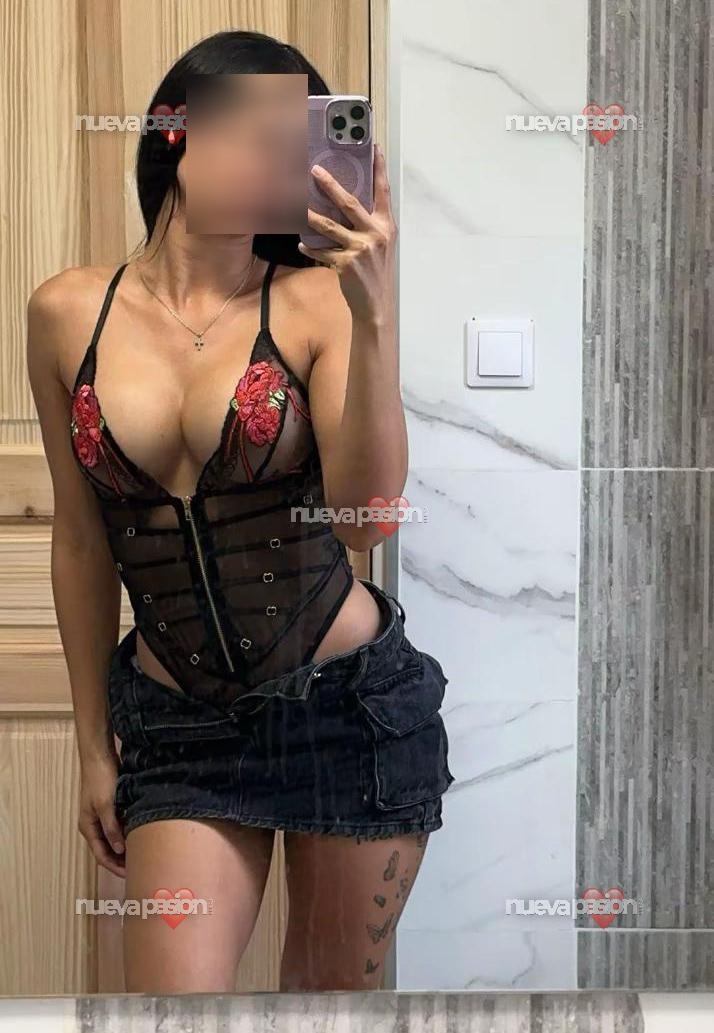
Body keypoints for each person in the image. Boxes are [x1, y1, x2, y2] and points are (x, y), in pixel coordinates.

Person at [26, 30, 453, 993]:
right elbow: (82, 539)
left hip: (347, 709)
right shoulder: (66, 312)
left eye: (298, 144)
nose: (281, 163)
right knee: (171, 1011)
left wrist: (375, 313)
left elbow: (367, 520)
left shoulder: (316, 303)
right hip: (177, 725)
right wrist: (94, 746)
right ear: (179, 132)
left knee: (327, 1013)